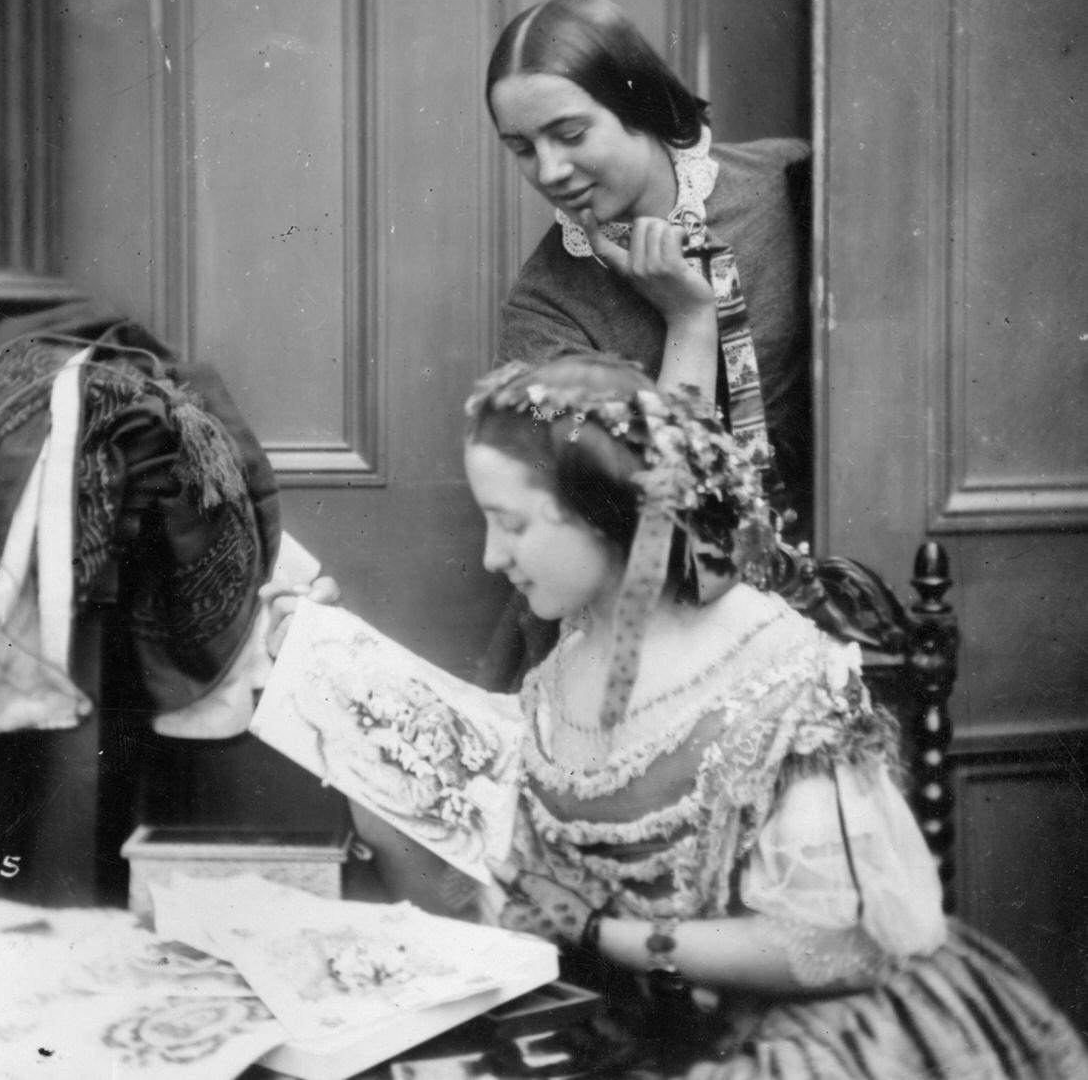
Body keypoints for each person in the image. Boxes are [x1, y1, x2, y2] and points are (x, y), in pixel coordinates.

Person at [462, 352, 1087, 1079]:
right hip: (638, 1015)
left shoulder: (778, 676)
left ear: (607, 514)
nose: (489, 556)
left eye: (511, 523)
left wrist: (603, 932)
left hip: (808, 1035)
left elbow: (843, 946)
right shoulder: (571, 655)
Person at [482, 0, 811, 686]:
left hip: (819, 596)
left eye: (569, 134)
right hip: (642, 645)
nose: (547, 171)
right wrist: (690, 323)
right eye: (522, 149)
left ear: (641, 105)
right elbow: (645, 531)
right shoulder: (544, 311)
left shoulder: (790, 184)